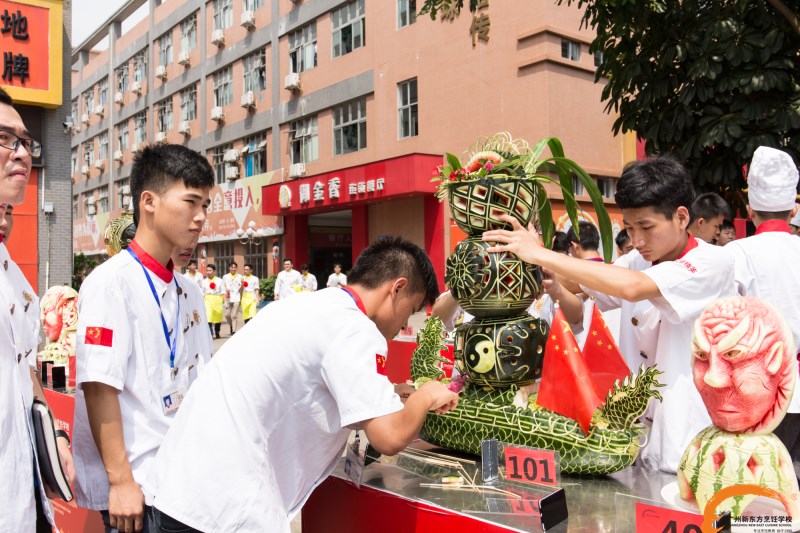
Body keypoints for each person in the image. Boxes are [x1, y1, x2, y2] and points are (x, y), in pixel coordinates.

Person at [146, 236, 459, 532]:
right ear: (398, 288)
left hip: (178, 491)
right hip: (220, 510)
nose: (406, 323)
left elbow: (308, 382)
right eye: (412, 309)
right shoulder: (356, 328)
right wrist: (424, 396)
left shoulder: (311, 305)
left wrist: (387, 393)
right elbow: (388, 438)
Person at [484, 156, 737, 473]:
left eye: (646, 227)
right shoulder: (638, 260)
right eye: (629, 228)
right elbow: (578, 283)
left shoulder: (713, 262)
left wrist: (542, 254)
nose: (637, 240)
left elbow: (633, 287)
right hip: (640, 435)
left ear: (682, 217)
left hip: (694, 437)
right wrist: (531, 259)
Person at [72, 144, 215, 533]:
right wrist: (120, 482)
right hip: (139, 487)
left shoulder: (189, 290)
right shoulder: (110, 283)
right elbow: (99, 386)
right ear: (148, 201)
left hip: (183, 479)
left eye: (205, 204)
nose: (200, 217)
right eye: (190, 202)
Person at [0, 86, 75, 532]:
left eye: (26, 142)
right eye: (5, 139)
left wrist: (56, 437)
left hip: (20, 503)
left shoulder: (15, 276)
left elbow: (24, 365)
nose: (22, 153)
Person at [726, 146, 800, 471]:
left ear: (750, 208)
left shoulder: (736, 253)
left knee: (763, 497)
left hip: (758, 395)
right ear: (793, 211)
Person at [201, 264, 224, 339]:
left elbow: (223, 291)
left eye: (210, 270)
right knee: (208, 317)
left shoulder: (220, 281)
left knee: (218, 317)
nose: (208, 272)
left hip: (217, 299)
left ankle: (217, 331)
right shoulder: (204, 282)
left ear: (214, 271)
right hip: (207, 300)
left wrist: (225, 302)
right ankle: (210, 333)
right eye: (207, 270)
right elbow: (202, 293)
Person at [222, 261, 243, 335]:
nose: (233, 269)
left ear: (236, 268)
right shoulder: (225, 276)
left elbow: (241, 289)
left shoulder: (240, 277)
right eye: (232, 267)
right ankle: (231, 325)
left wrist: (242, 285)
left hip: (236, 297)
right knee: (227, 315)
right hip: (228, 297)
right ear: (229, 268)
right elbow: (223, 287)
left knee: (234, 315)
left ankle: (233, 330)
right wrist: (224, 299)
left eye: (235, 267)